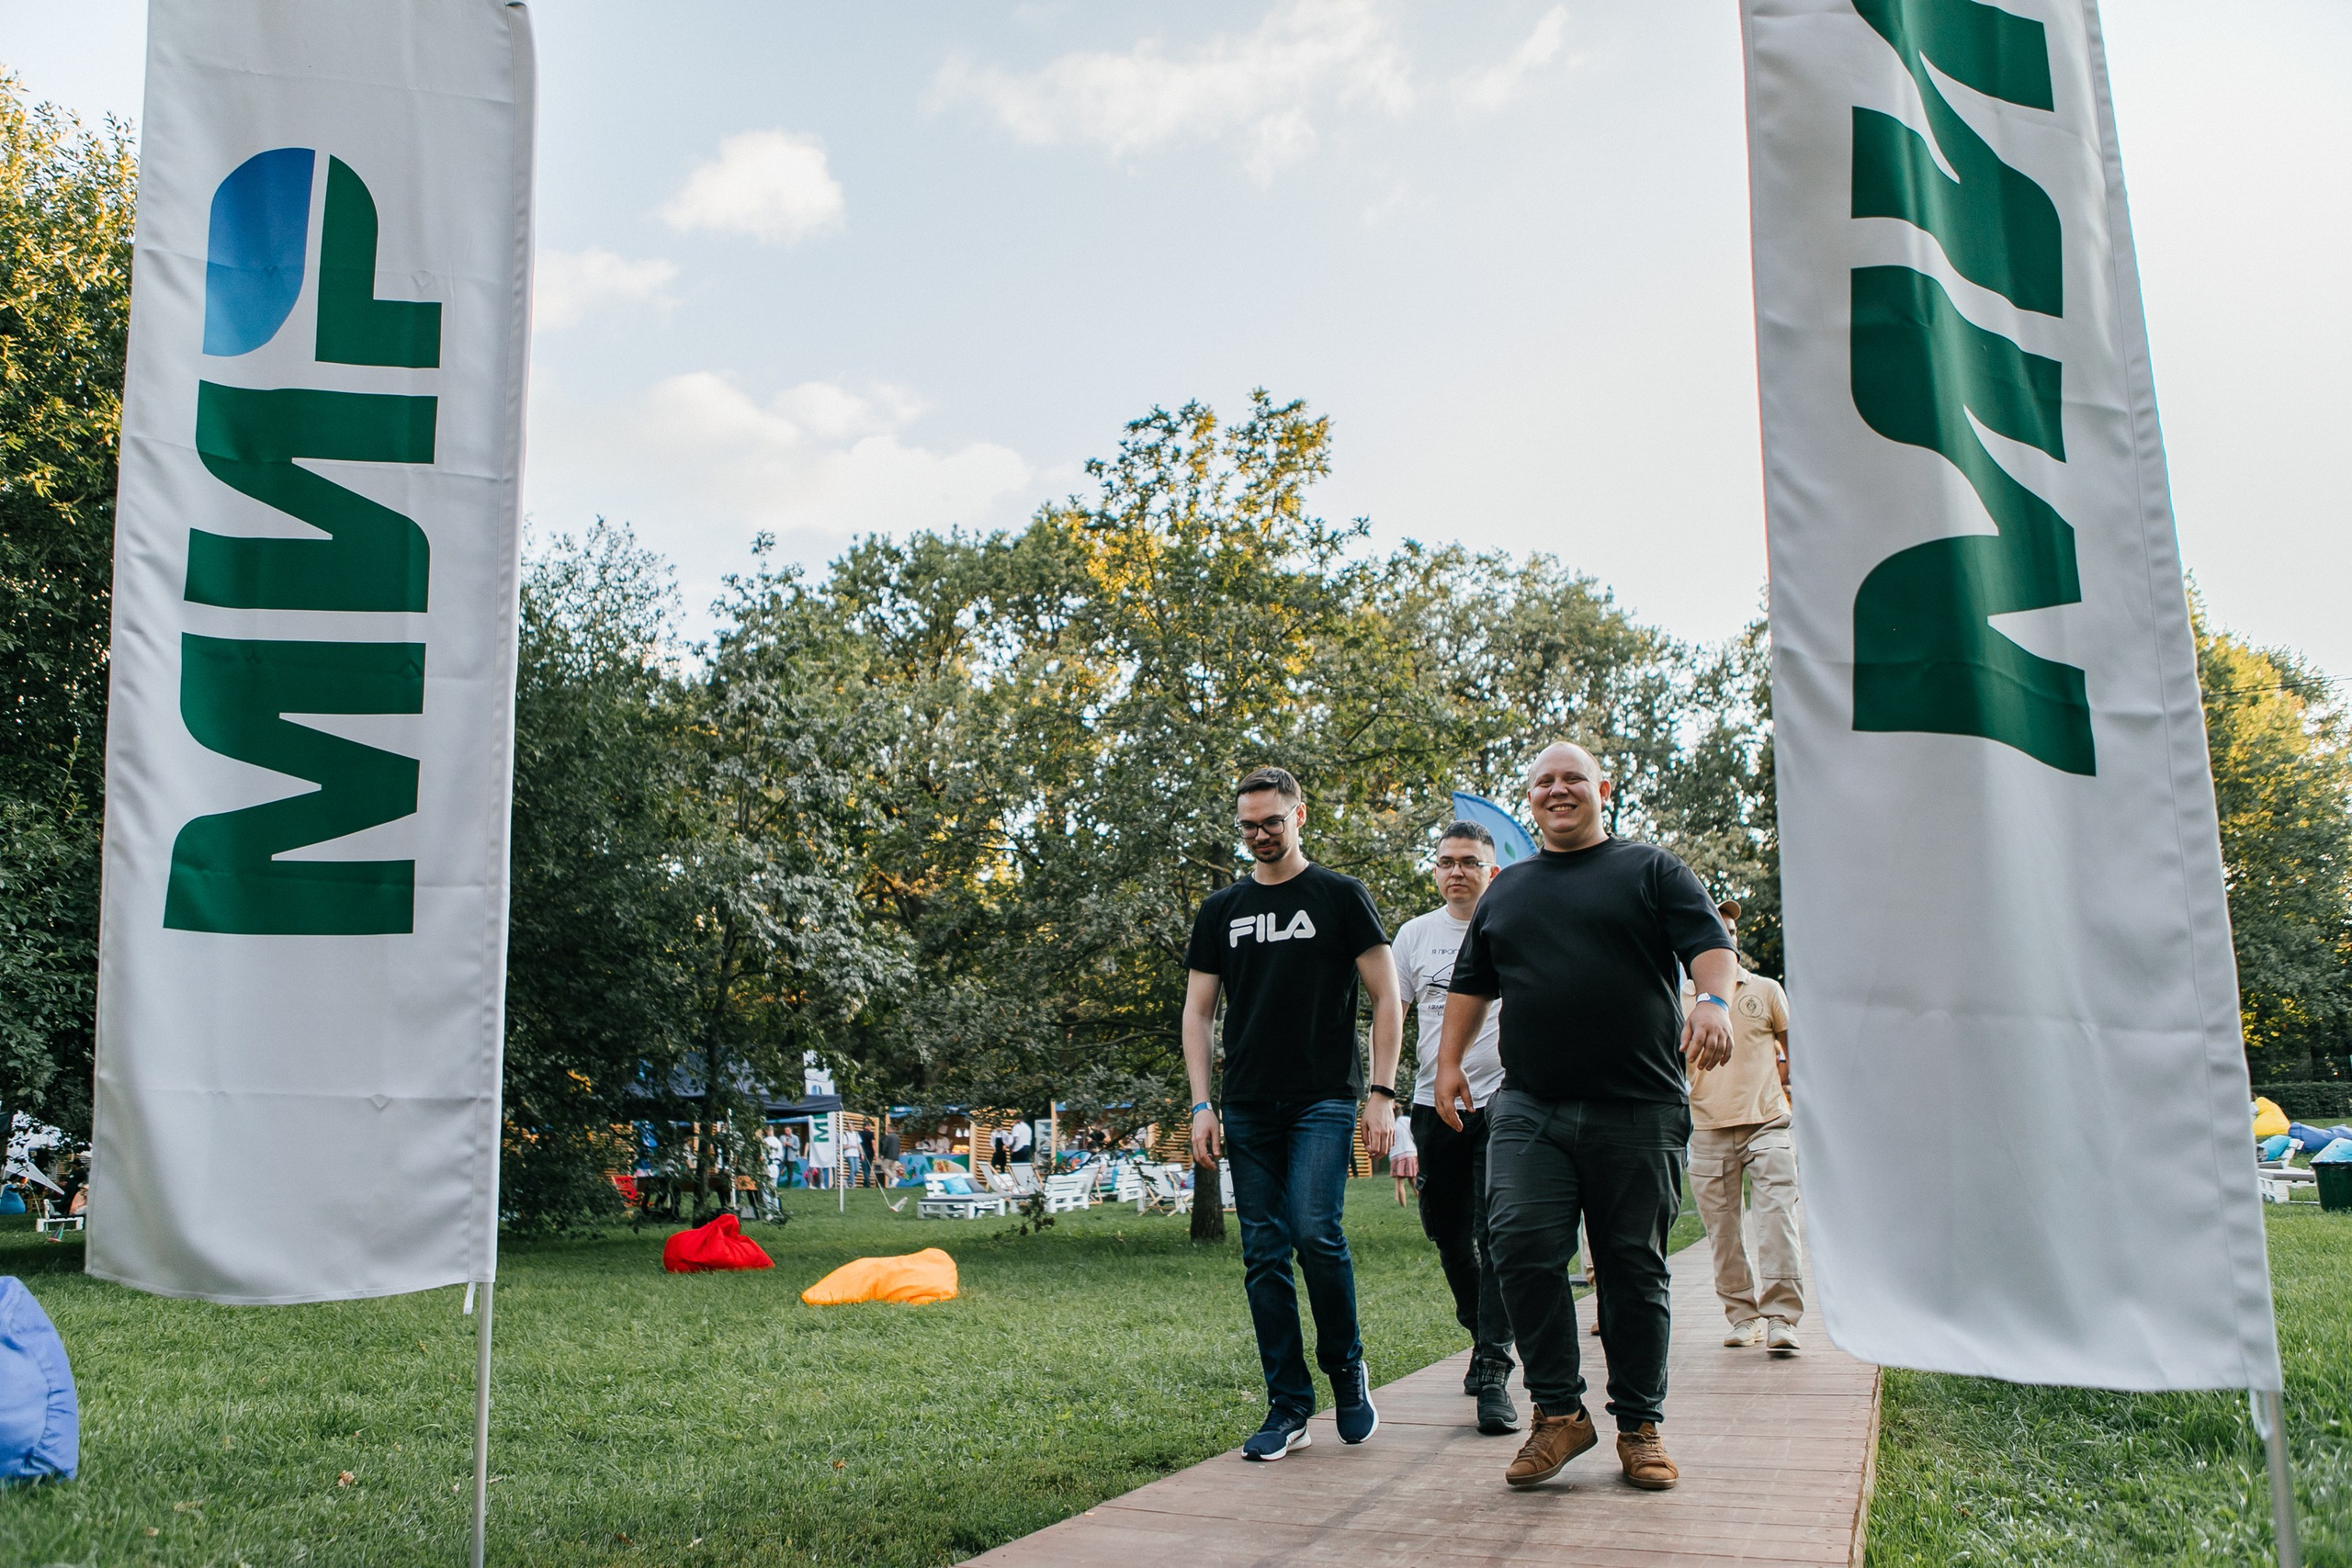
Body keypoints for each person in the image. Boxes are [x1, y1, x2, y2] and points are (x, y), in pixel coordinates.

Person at [1434, 741, 1735, 1493]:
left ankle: (1639, 1423)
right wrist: (1446, 1064)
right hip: (1530, 1104)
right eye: (1543, 782)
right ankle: (1560, 1413)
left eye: (1572, 779)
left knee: (1632, 1267)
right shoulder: (1508, 890)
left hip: (1638, 1104)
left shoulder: (1651, 870)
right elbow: (1472, 985)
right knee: (1521, 1246)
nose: (1557, 790)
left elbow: (1709, 947)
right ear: (1529, 798)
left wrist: (1714, 1000)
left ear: (1603, 789)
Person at [1184, 764, 1404, 1461]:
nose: (1259, 834)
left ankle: (1348, 1370)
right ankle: (1288, 1405)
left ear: (1299, 815)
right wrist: (1199, 1103)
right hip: (1247, 1103)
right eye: (1248, 825)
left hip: (1323, 1097)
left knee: (1316, 1230)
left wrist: (1382, 1091)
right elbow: (1197, 1011)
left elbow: (1388, 998)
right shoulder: (1222, 909)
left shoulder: (1339, 896)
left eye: (1271, 822)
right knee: (1264, 1254)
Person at [1391, 819, 1518, 1437]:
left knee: (1496, 1233)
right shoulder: (1415, 935)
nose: (1457, 870)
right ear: (1436, 870)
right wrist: (1381, 1093)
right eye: (1446, 861)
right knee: (1447, 1231)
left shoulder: (1512, 924)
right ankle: (1479, 1327)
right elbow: (1392, 1016)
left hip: (1504, 1101)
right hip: (1430, 1102)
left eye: (1469, 861)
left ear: (1490, 871)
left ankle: (1494, 1368)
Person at [1679, 899, 1802, 1353]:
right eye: (1716, 927)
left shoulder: (1767, 990)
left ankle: (1782, 1319)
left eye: (1731, 928)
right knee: (1723, 1233)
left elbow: (1797, 1054)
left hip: (1768, 1122)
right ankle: (1743, 1317)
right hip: (1707, 1129)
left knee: (1776, 1220)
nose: (1726, 934)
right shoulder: (1677, 1000)